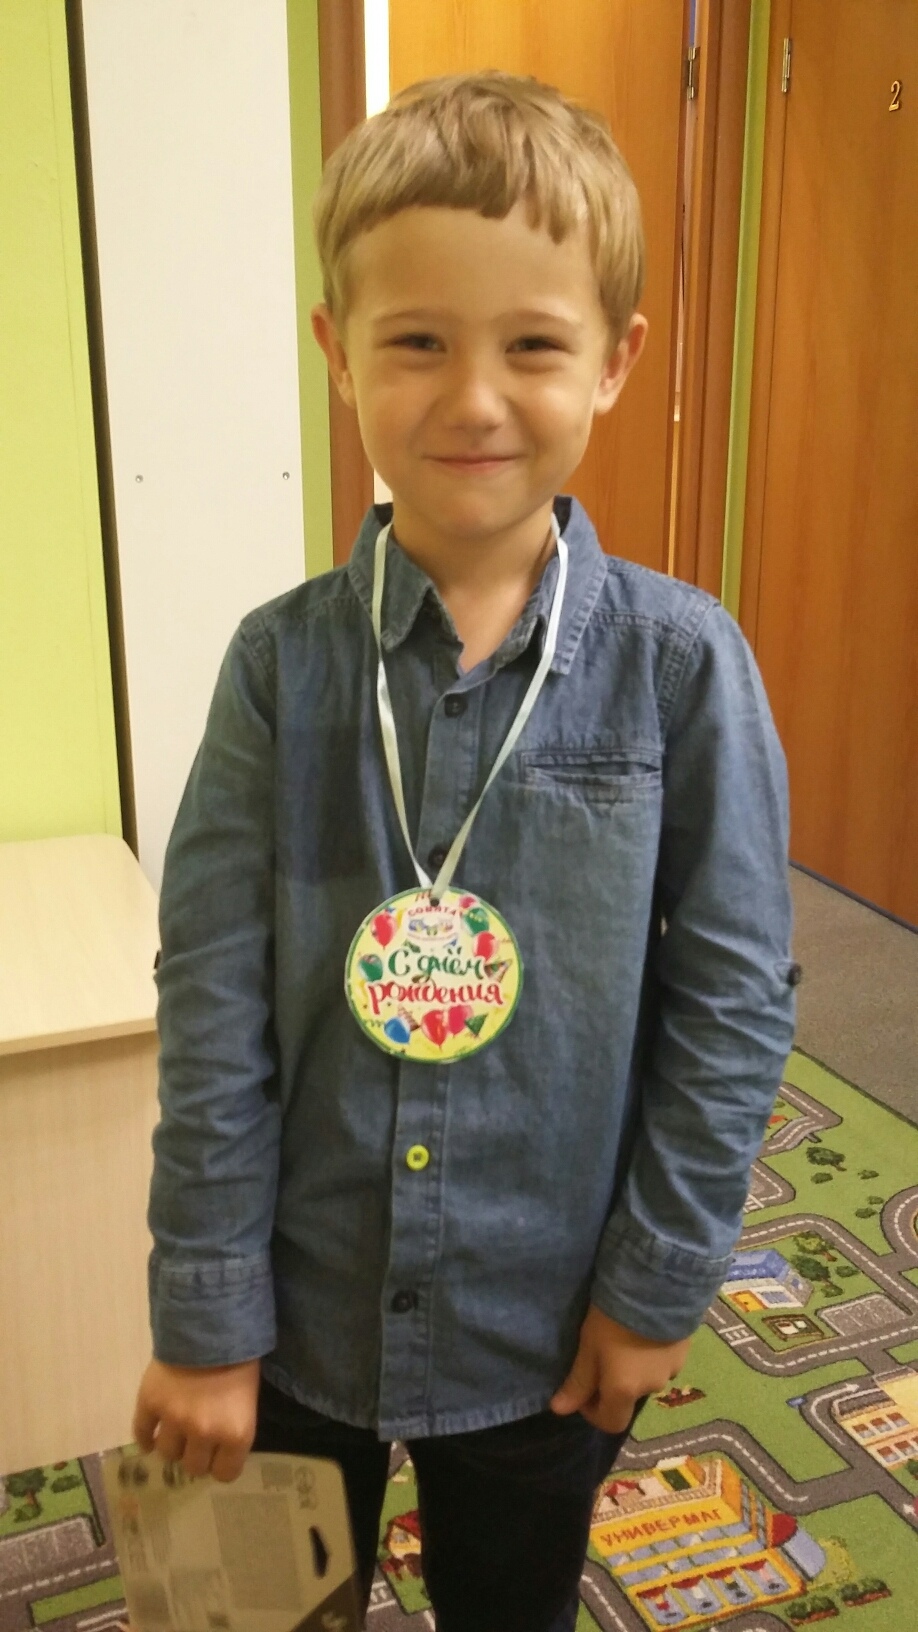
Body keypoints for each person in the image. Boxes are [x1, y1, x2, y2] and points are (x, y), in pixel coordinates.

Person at [133, 72, 798, 1632]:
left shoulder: (681, 670)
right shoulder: (277, 669)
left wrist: (654, 1284)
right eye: (418, 341)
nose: (475, 399)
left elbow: (729, 1005)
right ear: (336, 350)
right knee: (259, 1609)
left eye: (535, 346)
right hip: (295, 1310)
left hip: (539, 1322)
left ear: (616, 360)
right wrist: (207, 1313)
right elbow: (213, 996)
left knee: (511, 1605)